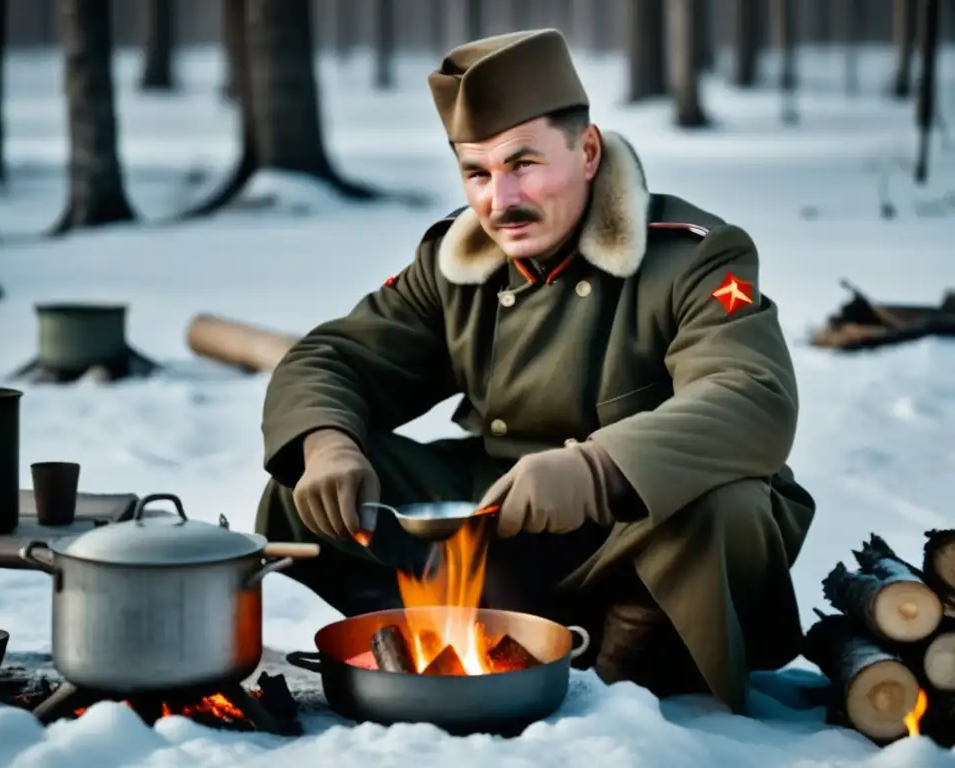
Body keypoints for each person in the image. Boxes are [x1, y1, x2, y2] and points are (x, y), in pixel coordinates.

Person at [256, 29, 816, 715]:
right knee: (304, 487)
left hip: (638, 538)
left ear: (587, 153)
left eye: (524, 163)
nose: (501, 200)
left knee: (723, 503)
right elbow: (332, 357)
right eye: (478, 174)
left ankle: (633, 684)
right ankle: (430, 642)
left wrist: (596, 469)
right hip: (506, 530)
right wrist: (328, 446)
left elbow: (750, 396)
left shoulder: (693, 255)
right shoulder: (455, 262)